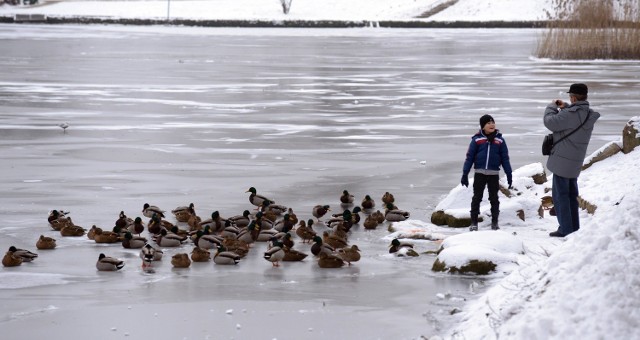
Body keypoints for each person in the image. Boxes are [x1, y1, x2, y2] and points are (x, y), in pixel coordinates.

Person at [544, 83, 600, 237]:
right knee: (571, 195)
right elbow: (574, 115)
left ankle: (565, 229)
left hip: (563, 161)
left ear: (573, 97)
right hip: (574, 161)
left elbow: (550, 122)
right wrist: (566, 106)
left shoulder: (570, 115)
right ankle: (574, 227)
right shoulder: (587, 113)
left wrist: (551, 107)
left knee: (560, 196)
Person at [461, 114, 513, 231]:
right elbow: (469, 157)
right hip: (479, 173)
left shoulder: (499, 140)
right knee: (476, 198)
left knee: (494, 198)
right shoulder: (477, 139)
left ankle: (495, 222)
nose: (492, 124)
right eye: (488, 123)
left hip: (493, 174)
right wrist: (465, 174)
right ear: (483, 126)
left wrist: (509, 174)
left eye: (493, 122)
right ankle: (474, 222)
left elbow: (505, 158)